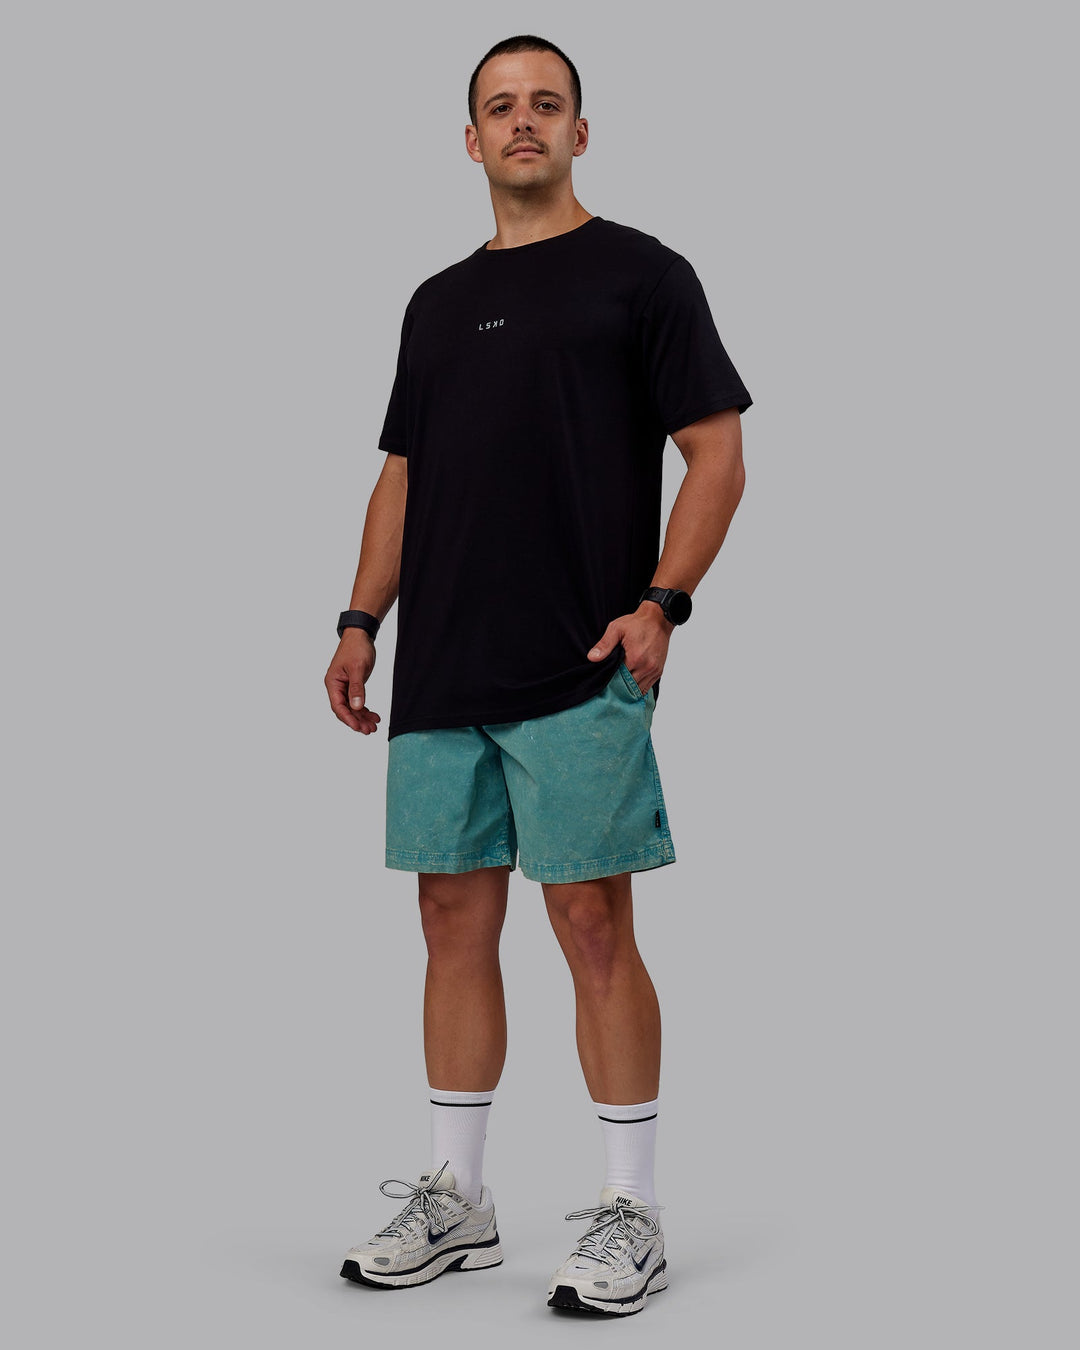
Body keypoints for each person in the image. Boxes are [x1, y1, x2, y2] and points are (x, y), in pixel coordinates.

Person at [324, 34, 752, 1316]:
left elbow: (717, 452)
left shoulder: (644, 275)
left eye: (546, 104)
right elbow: (403, 473)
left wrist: (663, 604)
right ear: (470, 139)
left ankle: (633, 1210)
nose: (524, 121)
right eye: (501, 106)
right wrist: (359, 620)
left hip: (579, 662)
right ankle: (459, 1197)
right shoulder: (435, 303)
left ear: (580, 131)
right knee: (450, 921)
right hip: (444, 667)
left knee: (592, 924)